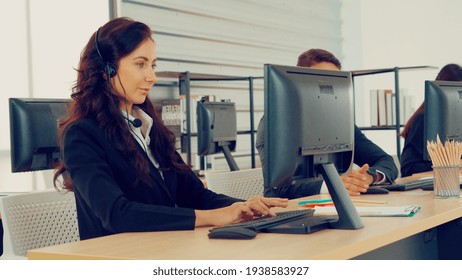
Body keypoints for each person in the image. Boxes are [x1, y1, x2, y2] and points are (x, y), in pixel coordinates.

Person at [53, 17, 288, 240]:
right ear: (107, 70)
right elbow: (117, 214)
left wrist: (244, 207)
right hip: (117, 259)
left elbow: (194, 194)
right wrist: (212, 217)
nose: (152, 77)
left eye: (153, 65)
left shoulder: (149, 128)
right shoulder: (81, 135)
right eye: (140, 64)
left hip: (161, 250)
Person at [256, 48, 398, 198]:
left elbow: (386, 161)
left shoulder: (340, 122)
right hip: (288, 211)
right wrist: (333, 186)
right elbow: (279, 188)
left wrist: (367, 177)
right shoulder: (276, 123)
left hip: (333, 206)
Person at [400, 63, 462, 177]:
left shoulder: (456, 122)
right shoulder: (422, 120)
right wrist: (451, 164)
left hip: (447, 183)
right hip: (423, 189)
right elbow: (408, 168)